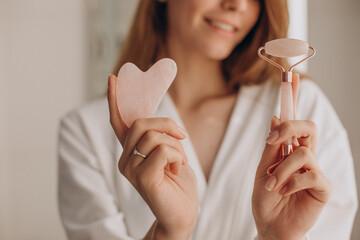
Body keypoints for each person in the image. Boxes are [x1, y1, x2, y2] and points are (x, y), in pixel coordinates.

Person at [58, 0, 358, 239]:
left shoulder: (304, 110)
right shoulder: (86, 131)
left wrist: (279, 237)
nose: (237, 4)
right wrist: (169, 232)